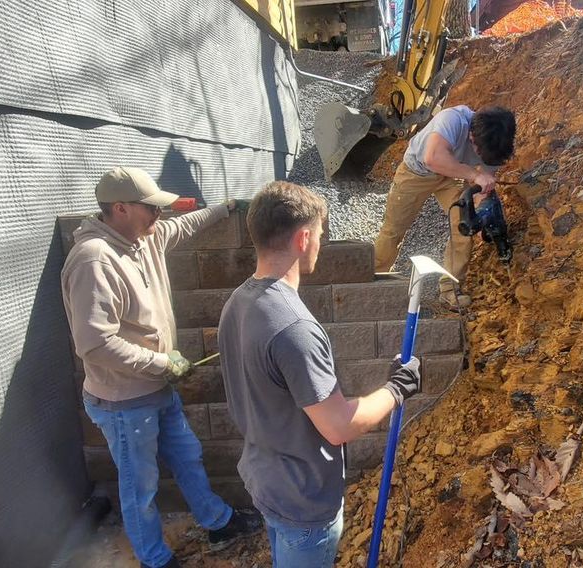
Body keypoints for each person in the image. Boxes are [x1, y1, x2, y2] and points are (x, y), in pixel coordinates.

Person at [61, 167, 262, 568]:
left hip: (156, 389)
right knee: (141, 488)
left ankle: (217, 521)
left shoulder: (142, 237)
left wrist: (224, 208)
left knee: (188, 455)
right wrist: (160, 363)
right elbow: (94, 344)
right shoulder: (93, 261)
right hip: (123, 402)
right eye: (151, 208)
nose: (159, 215)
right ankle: (155, 560)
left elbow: (184, 225)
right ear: (120, 208)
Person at [217, 181, 422, 567]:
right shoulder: (294, 327)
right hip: (302, 499)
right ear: (304, 237)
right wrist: (397, 388)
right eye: (321, 236)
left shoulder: (239, 301)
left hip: (266, 478)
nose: (321, 245)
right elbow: (338, 426)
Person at [372, 105, 516, 307]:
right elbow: (433, 158)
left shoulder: (497, 144)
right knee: (393, 230)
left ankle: (450, 289)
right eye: (479, 153)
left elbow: (485, 182)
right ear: (472, 137)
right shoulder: (452, 120)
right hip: (417, 172)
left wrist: (480, 208)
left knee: (463, 229)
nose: (482, 159)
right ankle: (374, 278)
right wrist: (474, 175)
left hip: (452, 176)